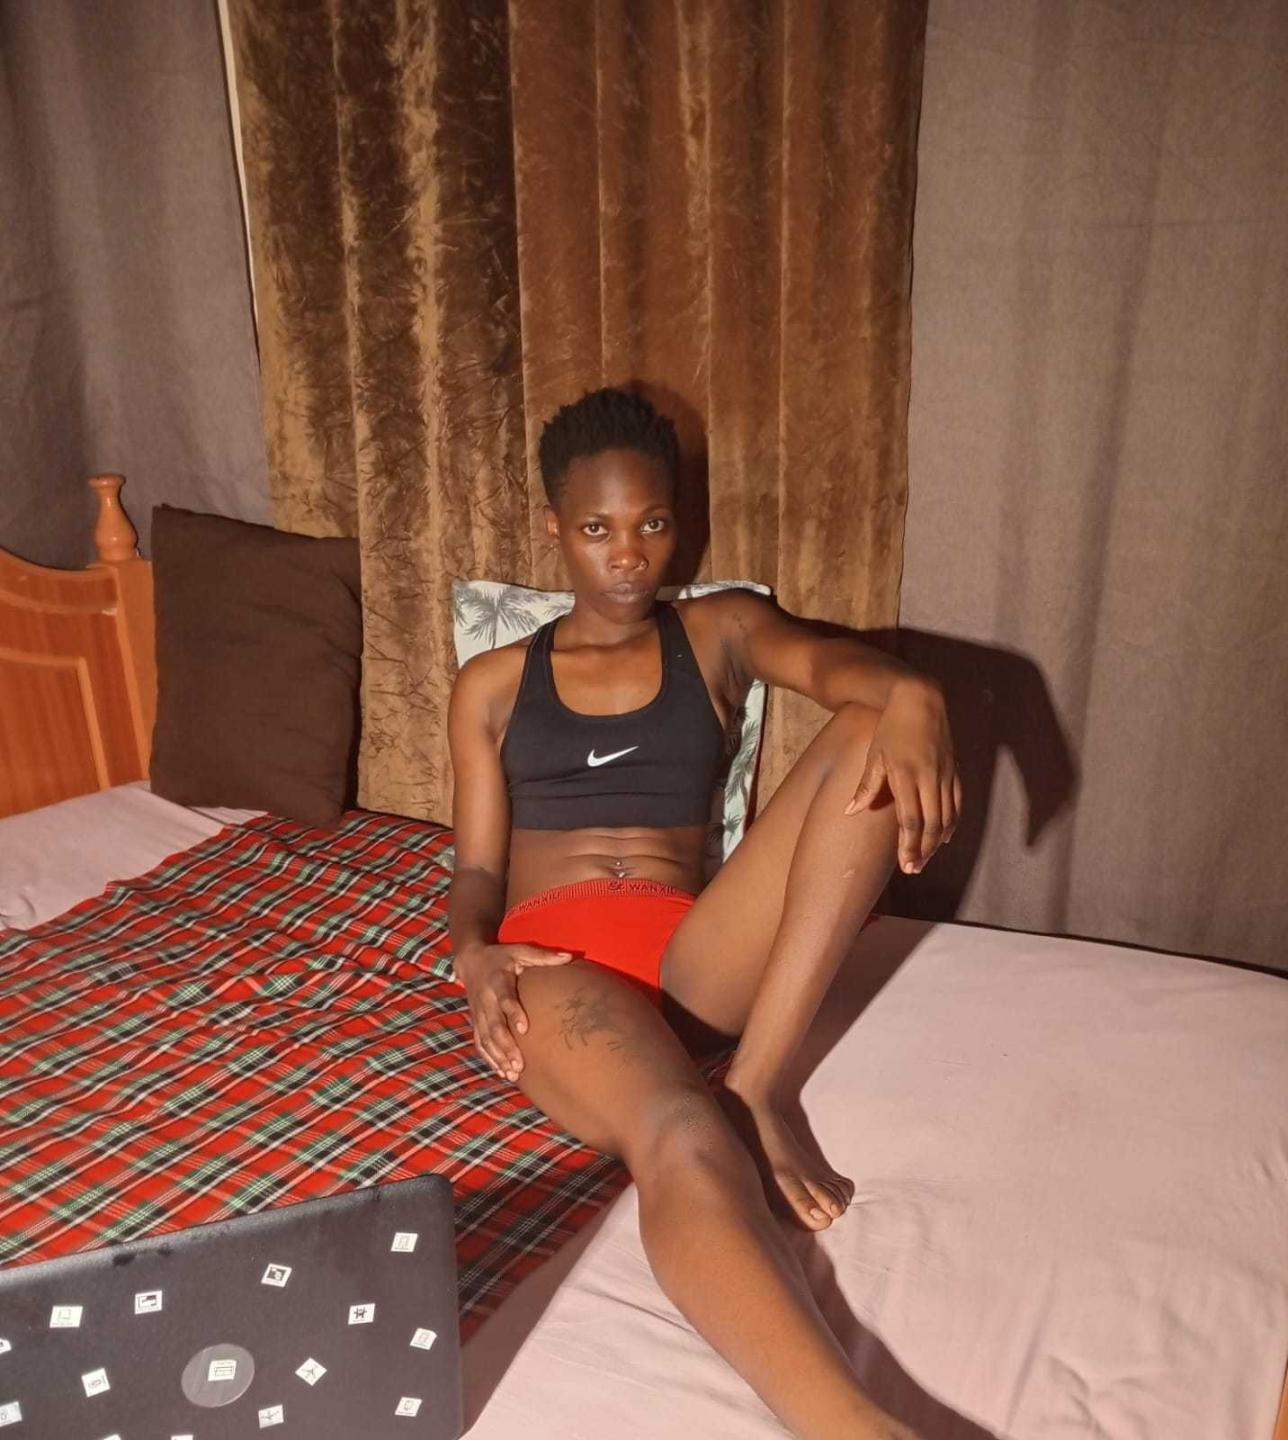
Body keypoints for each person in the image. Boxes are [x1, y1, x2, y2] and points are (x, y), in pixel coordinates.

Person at [447, 387, 960, 1440]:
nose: (628, 556)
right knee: (680, 1130)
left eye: (651, 524)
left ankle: (757, 1083)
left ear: (678, 522)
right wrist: (472, 956)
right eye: (597, 529)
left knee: (870, 721)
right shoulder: (493, 684)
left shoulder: (717, 630)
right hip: (561, 968)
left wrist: (917, 695)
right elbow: (478, 867)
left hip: (693, 956)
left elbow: (830, 668)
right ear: (555, 527)